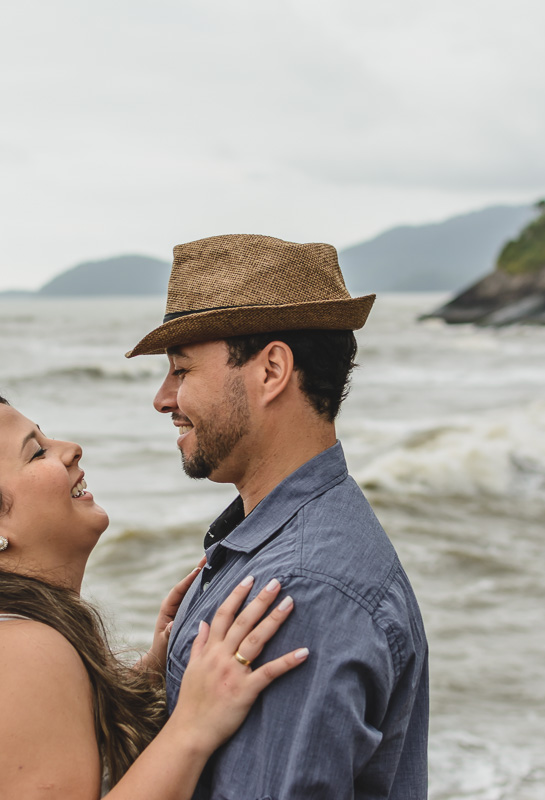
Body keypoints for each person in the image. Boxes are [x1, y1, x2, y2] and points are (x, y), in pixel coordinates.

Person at [0, 389, 309, 800]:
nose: (70, 450)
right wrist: (193, 727)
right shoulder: (10, 656)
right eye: (36, 453)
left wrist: (145, 678)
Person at [125, 234, 429, 799]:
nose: (163, 398)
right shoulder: (270, 544)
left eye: (182, 370)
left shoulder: (302, 593)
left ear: (271, 371)